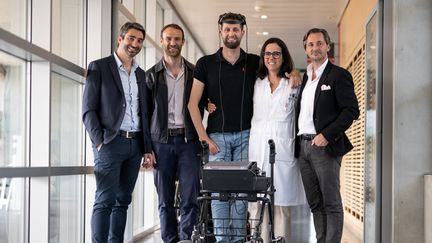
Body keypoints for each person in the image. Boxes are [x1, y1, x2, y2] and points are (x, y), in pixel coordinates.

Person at [188, 12, 259, 243]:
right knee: (218, 195)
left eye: (235, 29)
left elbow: (277, 69)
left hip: (245, 137)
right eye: (227, 29)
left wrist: (294, 73)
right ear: (220, 32)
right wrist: (204, 139)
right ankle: (221, 240)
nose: (231, 33)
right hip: (216, 139)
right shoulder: (205, 64)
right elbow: (192, 104)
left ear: (243, 32)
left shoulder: (254, 62)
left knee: (240, 195)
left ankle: (238, 240)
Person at [82, 22, 154, 243]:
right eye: (131, 38)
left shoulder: (141, 74)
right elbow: (88, 110)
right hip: (110, 143)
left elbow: (145, 113)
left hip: (135, 146)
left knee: (123, 201)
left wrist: (147, 149)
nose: (135, 44)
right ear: (120, 39)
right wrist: (99, 141)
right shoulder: (99, 67)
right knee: (105, 200)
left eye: (140, 40)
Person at [295, 28, 359, 243]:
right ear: (306, 48)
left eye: (319, 43)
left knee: (331, 203)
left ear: (327, 46)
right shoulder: (306, 78)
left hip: (323, 146)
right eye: (311, 44)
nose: (315, 48)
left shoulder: (338, 75)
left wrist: (326, 135)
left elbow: (351, 110)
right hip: (302, 147)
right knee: (315, 203)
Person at [145, 24, 202, 243]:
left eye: (177, 39)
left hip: (189, 142)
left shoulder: (195, 73)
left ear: (183, 42)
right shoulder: (152, 75)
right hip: (161, 142)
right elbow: (146, 113)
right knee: (165, 199)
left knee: (190, 196)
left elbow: (203, 101)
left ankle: (186, 238)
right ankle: (169, 239)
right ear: (161, 41)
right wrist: (147, 148)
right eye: (169, 38)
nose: (173, 43)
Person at [247, 37, 306, 243]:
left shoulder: (293, 83)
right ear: (263, 57)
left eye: (276, 53)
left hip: (282, 151)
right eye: (268, 53)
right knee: (256, 206)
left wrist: (297, 72)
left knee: (281, 209)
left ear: (283, 57)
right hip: (258, 150)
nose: (271, 57)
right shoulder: (256, 84)